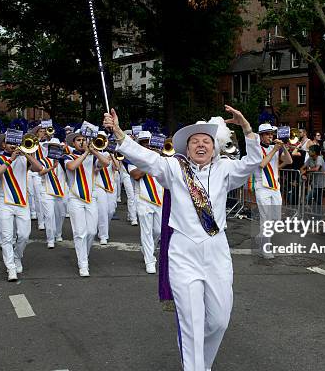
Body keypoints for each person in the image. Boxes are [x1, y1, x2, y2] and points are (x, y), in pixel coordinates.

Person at [104, 105, 261, 371]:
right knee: (191, 324)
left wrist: (246, 128)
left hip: (216, 251)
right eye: (195, 142)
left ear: (215, 147)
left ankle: (203, 364)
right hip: (182, 252)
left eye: (206, 141)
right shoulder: (174, 169)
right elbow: (146, 158)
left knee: (219, 320)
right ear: (186, 149)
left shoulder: (226, 169)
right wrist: (119, 133)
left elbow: (252, 162)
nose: (201, 145)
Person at [0, 134, 43, 281]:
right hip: (5, 202)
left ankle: (17, 256)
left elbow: (39, 168)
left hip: (22, 203)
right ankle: (10, 267)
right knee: (6, 237)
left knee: (24, 235)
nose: (12, 145)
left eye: (15, 142)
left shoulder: (24, 159)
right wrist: (10, 159)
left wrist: (26, 154)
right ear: (3, 146)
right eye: (9, 143)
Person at [63, 130, 108, 276]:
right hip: (75, 198)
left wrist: (94, 151)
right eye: (78, 140)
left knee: (92, 232)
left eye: (84, 139)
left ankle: (84, 256)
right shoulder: (67, 156)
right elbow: (72, 167)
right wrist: (85, 154)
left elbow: (106, 163)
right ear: (73, 143)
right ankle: (83, 264)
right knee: (80, 233)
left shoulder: (92, 157)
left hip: (91, 198)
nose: (82, 142)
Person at [128, 130, 164, 274]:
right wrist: (149, 162)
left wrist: (159, 158)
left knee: (159, 231)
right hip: (143, 199)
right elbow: (135, 175)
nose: (147, 146)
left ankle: (148, 249)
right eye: (143, 143)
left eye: (148, 143)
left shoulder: (161, 157)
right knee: (147, 231)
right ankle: (149, 260)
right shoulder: (133, 158)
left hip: (160, 199)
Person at [255, 123, 292, 258]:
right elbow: (262, 164)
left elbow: (289, 160)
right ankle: (266, 248)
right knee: (266, 219)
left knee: (276, 219)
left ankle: (260, 236)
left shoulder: (275, 148)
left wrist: (283, 148)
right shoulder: (256, 148)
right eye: (267, 134)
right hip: (262, 188)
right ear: (261, 136)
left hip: (275, 188)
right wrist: (275, 150)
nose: (270, 136)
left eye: (271, 133)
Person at [300, 144, 325, 214]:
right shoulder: (310, 159)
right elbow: (302, 168)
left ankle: (315, 215)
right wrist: (303, 174)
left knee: (309, 199)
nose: (308, 152)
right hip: (313, 183)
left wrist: (306, 171)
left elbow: (317, 168)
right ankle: (317, 215)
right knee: (317, 201)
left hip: (320, 184)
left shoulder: (319, 158)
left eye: (310, 151)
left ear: (314, 152)